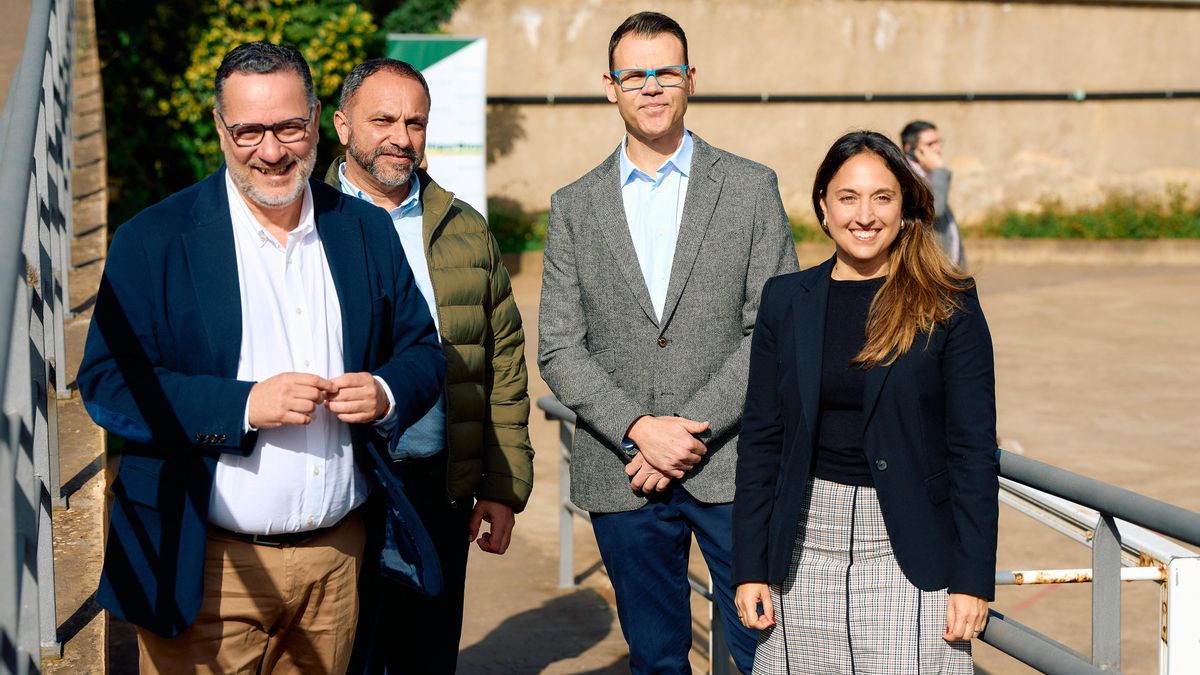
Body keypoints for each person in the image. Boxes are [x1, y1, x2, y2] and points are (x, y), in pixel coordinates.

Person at [77, 42, 446, 674]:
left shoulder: (363, 230)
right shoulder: (155, 238)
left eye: (288, 128)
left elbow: (422, 351)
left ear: (317, 119)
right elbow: (110, 383)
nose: (271, 151)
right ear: (220, 129)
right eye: (249, 130)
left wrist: (385, 392)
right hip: (204, 568)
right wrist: (243, 403)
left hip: (336, 564)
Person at [538, 11, 798, 674]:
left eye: (666, 72)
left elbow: (774, 329)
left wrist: (687, 433)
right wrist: (637, 429)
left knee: (763, 651)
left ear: (690, 80)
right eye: (635, 75)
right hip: (623, 473)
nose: (651, 87)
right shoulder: (575, 204)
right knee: (655, 658)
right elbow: (560, 346)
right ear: (610, 86)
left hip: (733, 468)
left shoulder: (749, 187)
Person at [732, 130, 998, 673]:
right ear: (823, 207)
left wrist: (972, 580)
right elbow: (762, 440)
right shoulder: (786, 300)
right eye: (848, 197)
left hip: (910, 548)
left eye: (882, 197)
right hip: (802, 549)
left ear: (905, 207)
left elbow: (972, 450)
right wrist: (750, 566)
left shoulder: (950, 303)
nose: (865, 215)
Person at [325, 58, 534, 673]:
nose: (401, 136)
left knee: (426, 654)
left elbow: (502, 363)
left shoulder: (464, 229)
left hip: (438, 481)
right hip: (342, 476)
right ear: (342, 126)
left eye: (415, 122)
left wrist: (502, 488)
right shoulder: (304, 221)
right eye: (382, 119)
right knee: (347, 652)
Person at [901, 120, 966, 266]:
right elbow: (935, 208)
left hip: (950, 268)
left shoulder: (928, 174)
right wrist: (939, 170)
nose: (937, 149)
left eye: (938, 142)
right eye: (930, 144)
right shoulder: (907, 178)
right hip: (930, 269)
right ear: (910, 149)